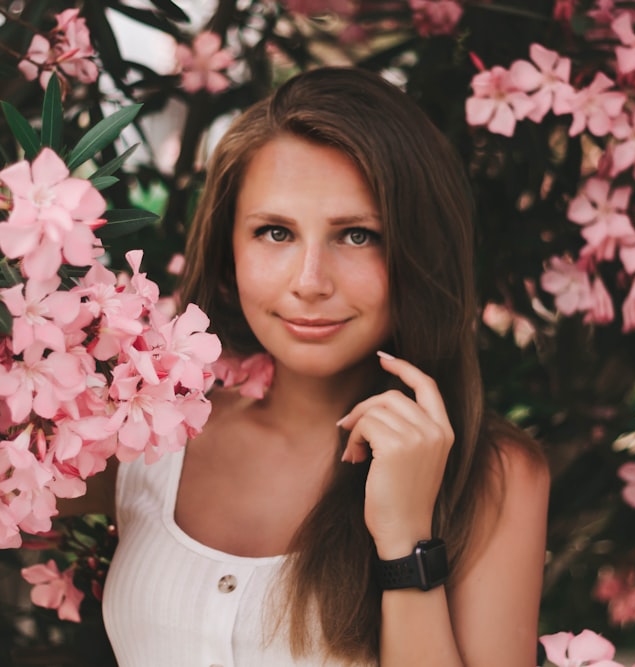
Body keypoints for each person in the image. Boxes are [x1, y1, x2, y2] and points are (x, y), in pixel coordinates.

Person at [75, 66, 551, 666]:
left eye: (356, 236)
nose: (309, 283)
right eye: (275, 233)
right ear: (229, 254)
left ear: (418, 251)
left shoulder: (493, 478)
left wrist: (405, 541)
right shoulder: (152, 429)